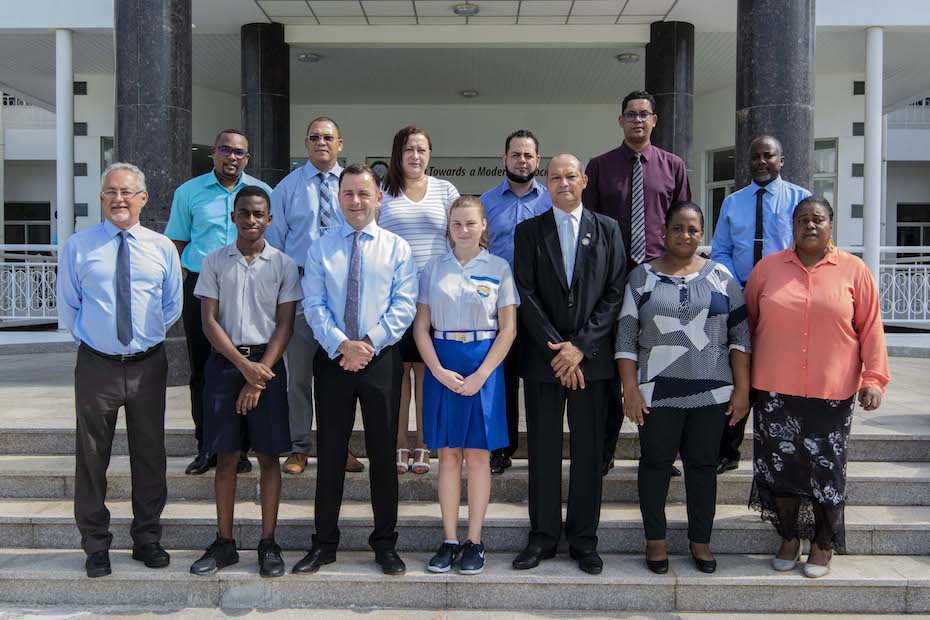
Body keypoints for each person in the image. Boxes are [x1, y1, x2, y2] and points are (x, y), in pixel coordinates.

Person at [745, 197, 890, 578]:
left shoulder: (854, 270)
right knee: (782, 470)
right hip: (775, 391)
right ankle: (790, 538)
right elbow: (747, 327)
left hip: (832, 392)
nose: (810, 225)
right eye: (802, 219)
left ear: (831, 226)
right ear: (792, 227)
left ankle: (823, 543)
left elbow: (871, 328)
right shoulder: (768, 269)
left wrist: (874, 379)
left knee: (828, 471)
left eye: (818, 219)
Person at [57, 163, 183, 578]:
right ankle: (95, 545)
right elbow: (70, 306)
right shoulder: (79, 246)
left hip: (147, 364)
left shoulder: (162, 247)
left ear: (143, 198)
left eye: (127, 192)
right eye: (110, 192)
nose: (119, 199)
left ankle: (147, 538)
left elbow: (171, 306)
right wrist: (100, 342)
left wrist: (140, 340)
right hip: (97, 365)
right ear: (101, 198)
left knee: (151, 455)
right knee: (92, 457)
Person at [615, 201, 751, 575]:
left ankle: (700, 541)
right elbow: (626, 336)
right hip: (656, 393)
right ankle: (655, 539)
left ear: (702, 234)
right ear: (664, 232)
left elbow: (740, 336)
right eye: (678, 228)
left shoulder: (722, 276)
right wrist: (629, 387)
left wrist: (743, 390)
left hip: (713, 393)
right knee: (655, 464)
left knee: (703, 466)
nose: (685, 235)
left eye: (692, 229)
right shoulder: (641, 277)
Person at [294, 164, 417, 576]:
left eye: (364, 194)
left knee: (383, 455)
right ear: (338, 198)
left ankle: (385, 544)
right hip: (332, 359)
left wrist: (368, 345)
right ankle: (323, 543)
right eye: (347, 194)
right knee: (329, 455)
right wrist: (341, 344)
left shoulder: (397, 248)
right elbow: (312, 303)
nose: (356, 201)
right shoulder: (320, 247)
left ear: (378, 197)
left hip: (380, 361)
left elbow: (404, 305)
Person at [511, 154, 626, 575]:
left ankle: (583, 540)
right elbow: (524, 291)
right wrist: (558, 350)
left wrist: (580, 347)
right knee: (542, 453)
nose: (563, 182)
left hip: (590, 364)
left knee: (588, 453)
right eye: (555, 176)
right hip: (545, 363)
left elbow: (615, 292)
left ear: (584, 181)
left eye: (570, 176)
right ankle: (542, 537)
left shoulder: (609, 230)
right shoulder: (529, 232)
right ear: (547, 181)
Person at [189, 186, 302, 578]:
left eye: (258, 214)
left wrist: (258, 377)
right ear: (234, 217)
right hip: (225, 366)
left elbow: (285, 324)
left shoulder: (284, 264)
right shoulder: (215, 261)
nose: (251, 220)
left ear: (269, 219)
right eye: (244, 213)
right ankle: (225, 543)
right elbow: (208, 321)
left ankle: (268, 542)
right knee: (226, 458)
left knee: (270, 457)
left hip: (268, 366)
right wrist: (242, 367)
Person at [582, 90, 691, 475]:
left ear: (655, 120)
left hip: (659, 279)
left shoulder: (673, 166)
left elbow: (683, 224)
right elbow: (589, 229)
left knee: (659, 363)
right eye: (630, 114)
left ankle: (659, 451)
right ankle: (604, 450)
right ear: (621, 120)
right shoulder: (599, 167)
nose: (638, 120)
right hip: (612, 279)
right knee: (612, 369)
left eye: (644, 114)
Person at [414, 196, 518, 575]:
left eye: (470, 223)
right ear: (449, 226)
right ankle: (449, 539)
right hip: (443, 364)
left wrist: (482, 375)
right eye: (456, 223)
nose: (463, 230)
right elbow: (420, 327)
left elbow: (508, 330)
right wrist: (438, 372)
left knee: (476, 455)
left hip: (483, 366)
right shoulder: (432, 269)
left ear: (483, 225)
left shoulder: (499, 267)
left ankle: (474, 540)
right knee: (448, 455)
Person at [165, 129, 273, 476]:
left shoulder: (262, 193)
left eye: (239, 152)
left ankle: (239, 448)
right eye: (225, 150)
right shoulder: (189, 192)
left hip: (250, 286)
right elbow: (177, 244)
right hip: (202, 288)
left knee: (242, 365)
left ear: (247, 158)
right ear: (213, 153)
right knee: (204, 371)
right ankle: (206, 446)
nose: (232, 157)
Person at [266, 116, 364, 476]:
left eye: (329, 137)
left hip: (345, 292)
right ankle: (299, 446)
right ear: (305, 144)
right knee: (299, 376)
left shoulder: (353, 186)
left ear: (340, 144)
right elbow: (274, 246)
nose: (322, 142)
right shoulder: (287, 188)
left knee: (343, 376)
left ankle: (340, 446)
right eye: (314, 137)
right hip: (302, 290)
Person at [712, 135, 811, 475]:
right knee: (735, 373)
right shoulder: (733, 203)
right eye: (755, 157)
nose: (761, 162)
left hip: (782, 303)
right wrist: (735, 288)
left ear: (781, 160)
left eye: (768, 156)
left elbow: (806, 251)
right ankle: (728, 450)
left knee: (772, 376)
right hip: (738, 299)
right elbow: (721, 250)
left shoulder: (800, 200)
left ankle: (777, 451)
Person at [378, 125, 461, 476]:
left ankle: (425, 444)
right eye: (409, 149)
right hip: (392, 296)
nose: (416, 156)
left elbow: (458, 237)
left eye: (422, 150)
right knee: (398, 376)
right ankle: (399, 442)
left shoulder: (445, 190)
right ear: (398, 153)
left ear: (430, 154)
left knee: (428, 373)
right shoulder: (382, 191)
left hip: (434, 297)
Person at [480, 129, 551, 475]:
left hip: (541, 305)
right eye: (515, 154)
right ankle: (503, 448)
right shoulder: (487, 203)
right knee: (502, 380)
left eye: (528, 155)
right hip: (499, 306)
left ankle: (540, 447)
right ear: (504, 158)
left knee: (538, 378)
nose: (522, 161)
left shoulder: (551, 201)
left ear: (538, 160)